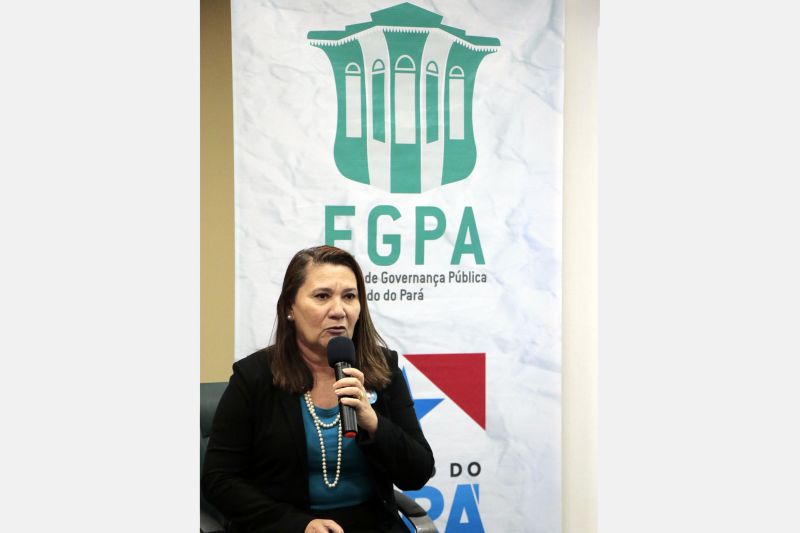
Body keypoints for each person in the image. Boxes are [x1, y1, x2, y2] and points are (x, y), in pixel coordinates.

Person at [202, 246, 435, 533]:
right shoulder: (254, 376)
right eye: (322, 296)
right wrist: (299, 525)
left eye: (349, 297)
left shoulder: (383, 369)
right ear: (290, 307)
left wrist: (373, 424)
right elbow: (219, 479)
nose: (338, 311)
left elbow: (418, 474)